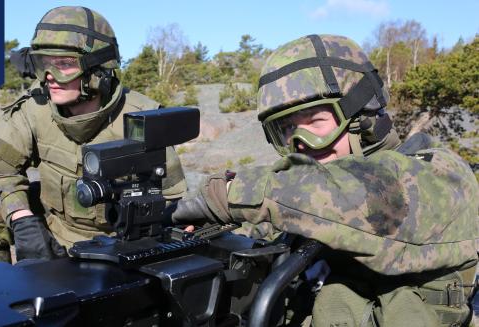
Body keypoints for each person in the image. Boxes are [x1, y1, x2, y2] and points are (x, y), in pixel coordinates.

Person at [171, 34, 478, 326]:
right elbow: (272, 226)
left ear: (363, 115)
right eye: (288, 129)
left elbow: (364, 197)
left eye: (316, 121)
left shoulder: (440, 175)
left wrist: (225, 196)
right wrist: (205, 237)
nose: (301, 141)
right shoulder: (304, 202)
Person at [0, 6, 187, 267]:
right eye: (43, 64)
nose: (50, 77)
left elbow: (171, 203)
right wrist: (23, 220)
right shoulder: (34, 108)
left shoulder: (139, 120)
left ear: (97, 69)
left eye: (65, 65)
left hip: (117, 246)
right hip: (55, 230)